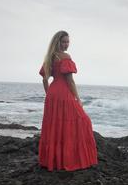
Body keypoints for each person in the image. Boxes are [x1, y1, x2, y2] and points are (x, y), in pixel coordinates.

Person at [38, 30, 98, 171]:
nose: (66, 44)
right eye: (64, 41)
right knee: (83, 121)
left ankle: (53, 161)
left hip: (53, 94)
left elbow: (44, 79)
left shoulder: (49, 57)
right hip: (64, 93)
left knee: (56, 126)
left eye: (68, 42)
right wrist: (78, 98)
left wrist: (49, 95)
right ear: (57, 42)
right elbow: (70, 81)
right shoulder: (65, 57)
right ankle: (71, 160)